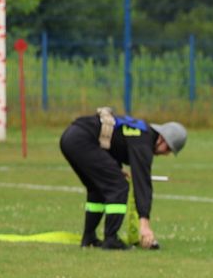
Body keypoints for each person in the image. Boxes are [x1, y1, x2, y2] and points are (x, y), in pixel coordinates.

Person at [57, 107, 188, 250]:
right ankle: (111, 239)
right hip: (83, 140)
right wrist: (144, 224)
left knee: (97, 188)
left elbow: (113, 141)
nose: (166, 154)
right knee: (119, 186)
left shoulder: (141, 130)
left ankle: (89, 238)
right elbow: (142, 183)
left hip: (71, 137)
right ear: (162, 139)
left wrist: (116, 168)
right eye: (168, 149)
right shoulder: (144, 142)